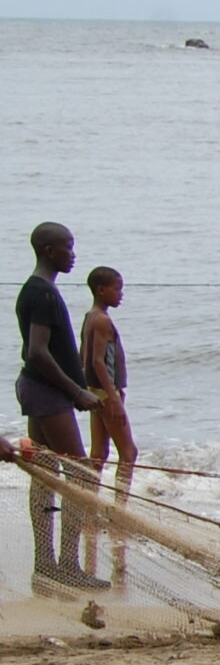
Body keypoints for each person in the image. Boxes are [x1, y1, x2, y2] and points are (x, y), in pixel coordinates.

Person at [16, 222, 103, 591]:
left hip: (38, 390)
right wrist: (76, 392)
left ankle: (46, 564)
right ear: (49, 251)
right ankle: (66, 564)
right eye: (68, 247)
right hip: (46, 393)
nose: (73, 254)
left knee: (47, 472)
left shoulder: (39, 290)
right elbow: (37, 352)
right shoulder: (42, 294)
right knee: (81, 476)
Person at [82, 266, 135, 474]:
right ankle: (119, 505)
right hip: (106, 392)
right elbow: (97, 361)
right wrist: (113, 398)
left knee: (99, 453)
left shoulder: (90, 316)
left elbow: (83, 357)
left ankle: (89, 498)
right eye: (117, 289)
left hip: (94, 390)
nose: (121, 294)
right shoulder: (103, 320)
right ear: (101, 290)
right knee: (129, 452)